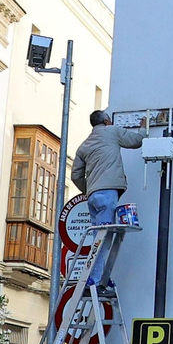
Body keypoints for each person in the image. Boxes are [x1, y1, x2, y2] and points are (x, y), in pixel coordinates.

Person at [70, 110, 148, 285]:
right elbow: (135, 141)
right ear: (106, 121)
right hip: (108, 193)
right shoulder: (112, 131)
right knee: (103, 239)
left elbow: (75, 175)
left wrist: (89, 189)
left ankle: (100, 277)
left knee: (97, 237)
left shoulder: (84, 145)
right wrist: (143, 129)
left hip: (93, 197)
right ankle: (96, 280)